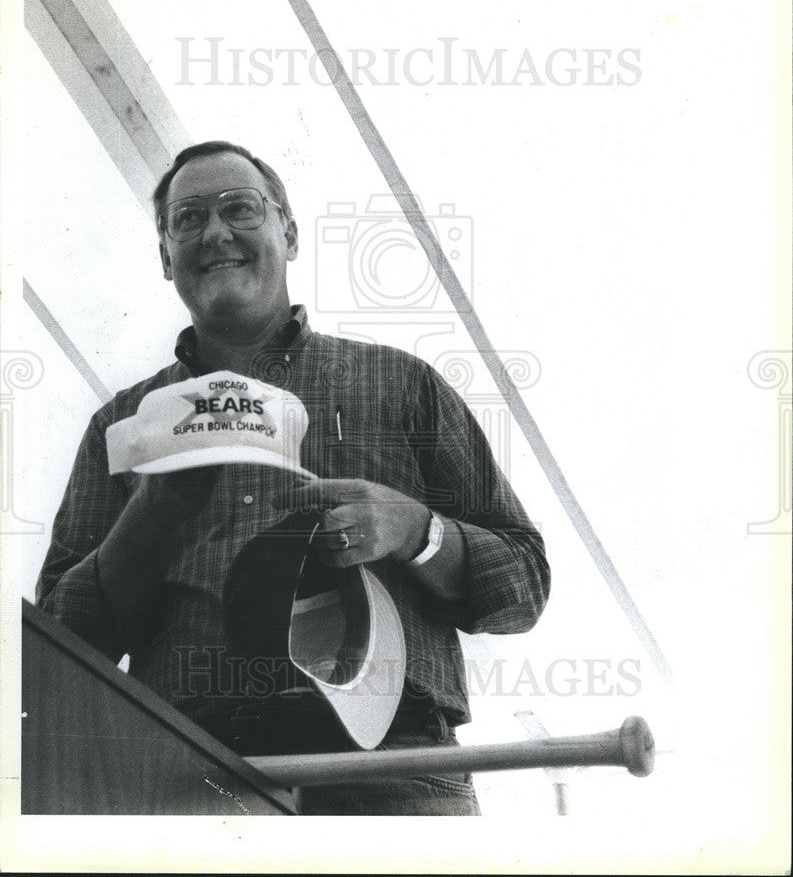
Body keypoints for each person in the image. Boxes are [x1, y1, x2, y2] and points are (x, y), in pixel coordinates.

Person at [36, 140, 551, 815]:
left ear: (289, 231)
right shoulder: (122, 427)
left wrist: (414, 530)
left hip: (394, 761)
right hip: (188, 768)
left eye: (240, 208)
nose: (215, 232)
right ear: (165, 257)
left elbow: (522, 587)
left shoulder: (400, 385)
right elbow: (60, 652)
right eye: (187, 219)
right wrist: (153, 514)